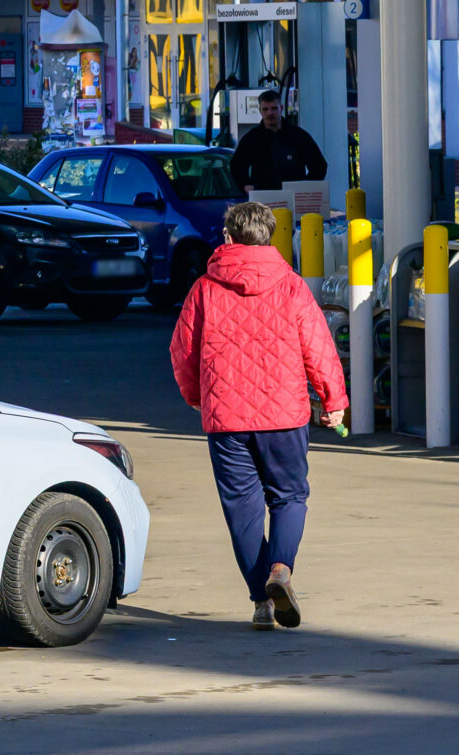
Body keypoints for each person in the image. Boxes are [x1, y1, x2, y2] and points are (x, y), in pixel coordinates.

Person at [169, 200, 347, 630]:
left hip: (226, 420)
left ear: (228, 237)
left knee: (242, 508)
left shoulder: (205, 289)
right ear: (269, 237)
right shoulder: (291, 285)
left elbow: (183, 351)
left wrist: (196, 397)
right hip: (284, 415)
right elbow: (317, 346)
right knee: (288, 497)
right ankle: (281, 570)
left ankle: (260, 603)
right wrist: (333, 399)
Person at [231, 90, 327, 192]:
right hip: (263, 197)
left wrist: (305, 188)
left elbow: (319, 166)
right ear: (260, 110)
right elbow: (237, 165)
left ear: (281, 108)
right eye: (265, 109)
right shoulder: (252, 139)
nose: (270, 113)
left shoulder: (298, 136)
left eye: (274, 108)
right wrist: (245, 185)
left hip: (293, 198)